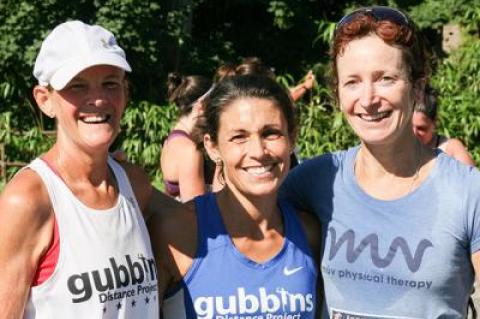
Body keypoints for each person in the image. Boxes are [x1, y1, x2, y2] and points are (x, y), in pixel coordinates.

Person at [280, 5, 480, 317]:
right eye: (352, 82)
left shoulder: (468, 192)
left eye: (385, 78)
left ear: (416, 86)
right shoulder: (315, 180)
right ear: (338, 93)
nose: (368, 98)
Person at [0, 20, 171, 318]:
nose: (98, 99)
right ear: (45, 100)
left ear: (125, 94)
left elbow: (198, 222)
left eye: (110, 83)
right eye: (77, 86)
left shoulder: (132, 183)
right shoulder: (30, 199)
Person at [148, 75, 322, 318]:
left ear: (292, 138)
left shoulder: (310, 234)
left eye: (271, 133)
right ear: (212, 147)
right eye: (239, 137)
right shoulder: (177, 233)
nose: (258, 152)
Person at [161, 73, 214, 201]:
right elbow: (197, 210)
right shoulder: (189, 150)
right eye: (214, 103)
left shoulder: (173, 140)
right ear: (201, 106)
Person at [412, 85, 475, 165]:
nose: (414, 133)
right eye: (409, 127)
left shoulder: (451, 149)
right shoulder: (398, 148)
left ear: (435, 123)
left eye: (421, 128)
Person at [215, 56, 316, 102]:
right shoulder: (255, 99)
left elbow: (287, 93)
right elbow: (286, 98)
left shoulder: (235, 96)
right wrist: (305, 87)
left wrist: (304, 85)